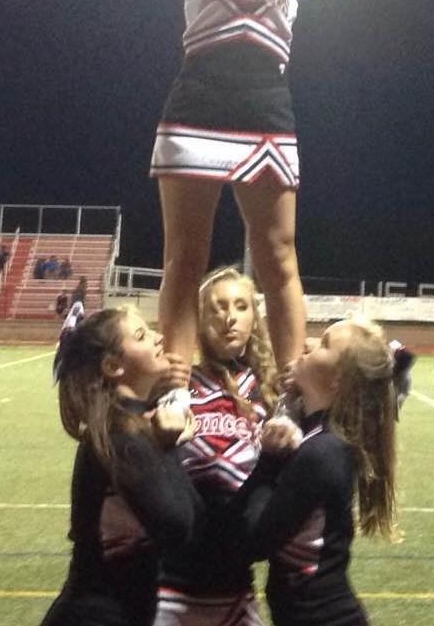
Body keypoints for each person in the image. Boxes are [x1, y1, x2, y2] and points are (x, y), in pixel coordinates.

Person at [76, 0, 434, 383]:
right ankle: (176, 385)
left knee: (278, 258)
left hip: (268, 115)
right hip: (194, 109)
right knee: (184, 260)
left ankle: (293, 385)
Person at [237, 318, 410, 625]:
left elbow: (253, 541)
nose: (308, 343)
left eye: (325, 343)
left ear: (339, 380)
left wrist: (269, 460)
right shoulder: (321, 435)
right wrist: (290, 402)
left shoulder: (322, 453)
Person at [43, 307, 200, 626]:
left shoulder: (130, 426)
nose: (158, 338)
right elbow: (181, 526)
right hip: (96, 615)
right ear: (113, 366)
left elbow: (191, 512)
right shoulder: (120, 437)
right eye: (141, 335)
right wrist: (167, 449)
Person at [155, 268, 276, 625]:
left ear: (254, 319)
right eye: (218, 307)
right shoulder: (177, 383)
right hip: (171, 588)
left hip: (239, 590)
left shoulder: (270, 390)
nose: (229, 317)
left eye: (241, 307)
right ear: (199, 318)